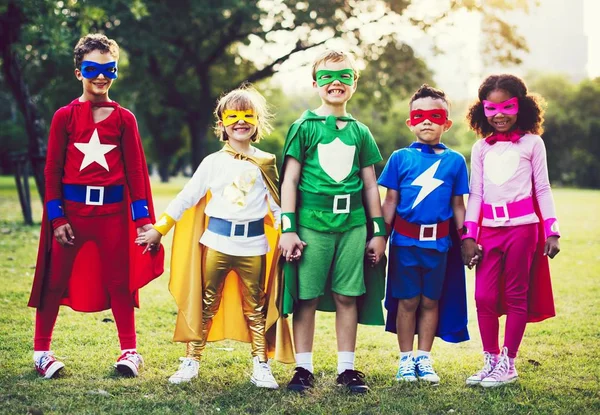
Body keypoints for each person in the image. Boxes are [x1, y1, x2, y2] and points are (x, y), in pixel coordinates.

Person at [136, 85, 293, 388]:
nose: (240, 121)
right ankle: (191, 360)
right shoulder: (212, 162)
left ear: (257, 121)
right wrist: (159, 229)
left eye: (248, 115)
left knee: (256, 307)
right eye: (233, 116)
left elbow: (277, 207)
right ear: (222, 124)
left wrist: (288, 233)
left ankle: (261, 364)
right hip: (216, 243)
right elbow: (186, 197)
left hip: (253, 246)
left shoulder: (266, 162)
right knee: (205, 303)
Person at [28, 34, 164, 379]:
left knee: (120, 282)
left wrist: (143, 222)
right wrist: (57, 218)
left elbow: (135, 171)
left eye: (109, 69)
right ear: (78, 73)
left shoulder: (124, 119)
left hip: (113, 216)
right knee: (54, 281)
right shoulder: (64, 116)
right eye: (92, 69)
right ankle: (41, 351)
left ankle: (130, 351)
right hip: (72, 216)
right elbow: (52, 170)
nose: (100, 76)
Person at [279, 50, 387, 394]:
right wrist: (288, 228)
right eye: (327, 77)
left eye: (344, 76)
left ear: (355, 83)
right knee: (306, 297)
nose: (335, 83)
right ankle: (303, 368)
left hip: (352, 225)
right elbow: (290, 181)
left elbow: (370, 184)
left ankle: (347, 368)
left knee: (347, 296)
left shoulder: (360, 132)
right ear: (315, 84)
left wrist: (378, 232)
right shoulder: (303, 127)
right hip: (311, 224)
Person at [462, 74, 560, 388]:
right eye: (491, 108)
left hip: (524, 229)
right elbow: (475, 193)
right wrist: (468, 236)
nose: (499, 114)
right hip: (488, 231)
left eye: (507, 106)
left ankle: (508, 363)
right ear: (482, 111)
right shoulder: (480, 148)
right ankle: (490, 359)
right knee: (483, 296)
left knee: (517, 295)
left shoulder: (533, 143)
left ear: (521, 107)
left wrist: (552, 230)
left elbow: (542, 189)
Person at [378, 84, 470, 384]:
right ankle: (405, 359)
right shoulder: (399, 158)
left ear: (446, 122)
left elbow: (459, 205)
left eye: (435, 115)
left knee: (431, 301)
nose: (426, 121)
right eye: (419, 116)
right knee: (407, 301)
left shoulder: (455, 161)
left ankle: (424, 358)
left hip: (439, 246)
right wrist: (380, 237)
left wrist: (466, 238)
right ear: (410, 122)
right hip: (405, 244)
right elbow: (390, 201)